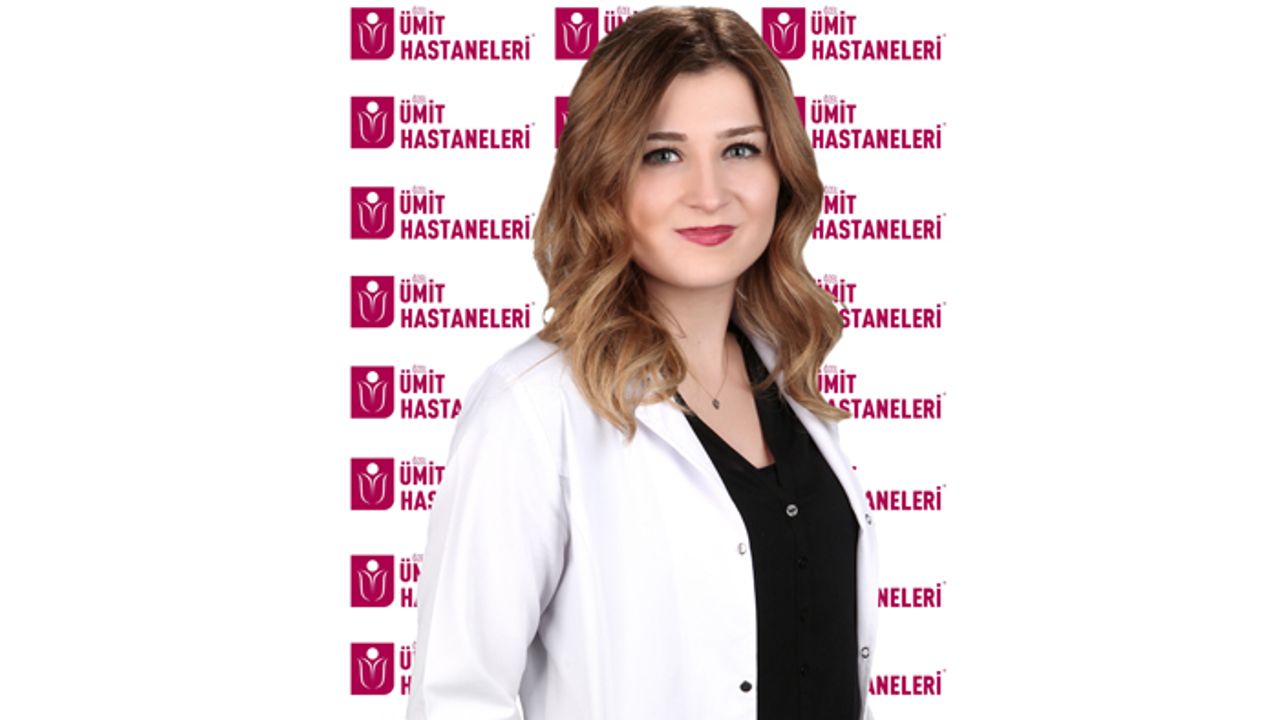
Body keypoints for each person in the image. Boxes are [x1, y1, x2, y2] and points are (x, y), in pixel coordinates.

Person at [405, 7, 878, 720]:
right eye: (663, 155)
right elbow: (457, 699)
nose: (710, 193)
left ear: (783, 169)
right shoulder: (532, 408)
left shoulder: (788, 381)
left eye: (740, 149)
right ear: (603, 178)